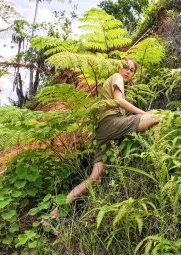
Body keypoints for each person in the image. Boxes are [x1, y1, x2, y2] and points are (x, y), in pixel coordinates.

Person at [51, 58, 162, 219]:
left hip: (102, 130)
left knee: (94, 177)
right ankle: (158, 161)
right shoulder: (117, 77)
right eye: (126, 67)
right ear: (118, 67)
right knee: (158, 116)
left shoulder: (111, 82)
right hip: (111, 123)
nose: (128, 71)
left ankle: (54, 214)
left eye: (132, 70)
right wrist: (144, 113)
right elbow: (118, 100)